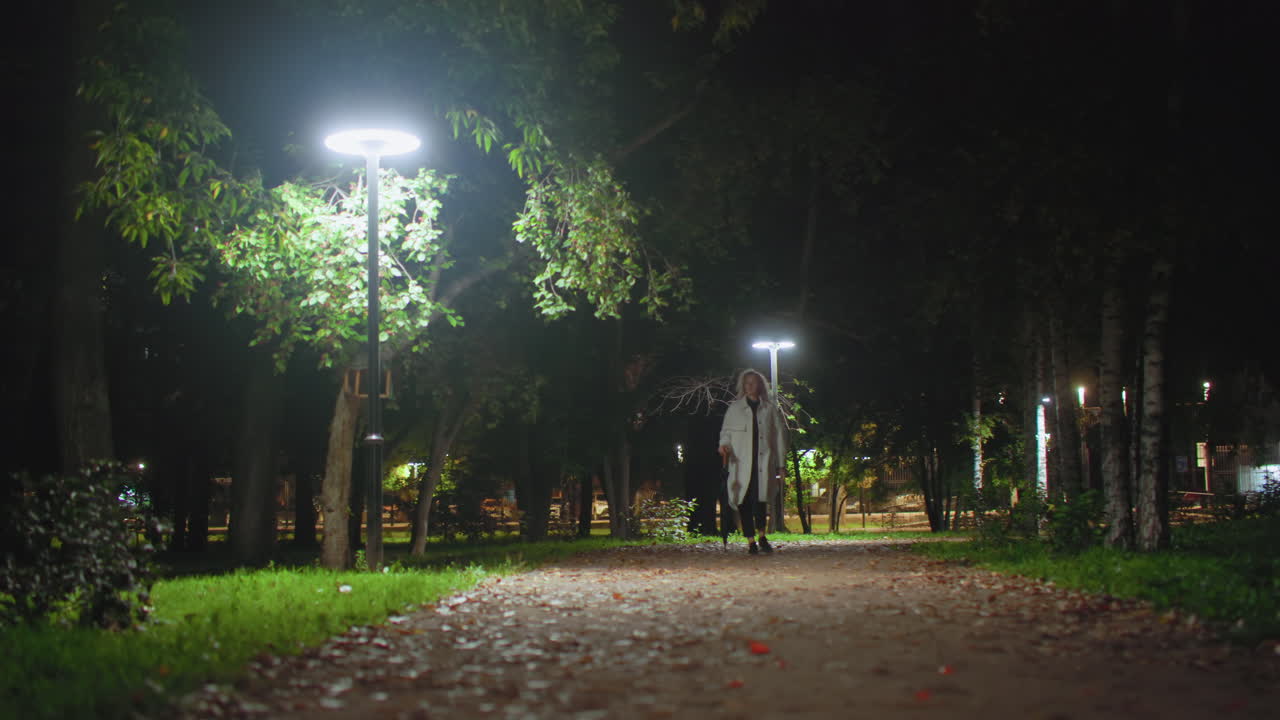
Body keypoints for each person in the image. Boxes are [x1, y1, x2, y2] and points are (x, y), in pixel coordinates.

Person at [718, 369, 787, 554]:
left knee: (760, 501)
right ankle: (750, 541)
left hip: (763, 464)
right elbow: (725, 433)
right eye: (746, 383)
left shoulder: (770, 409)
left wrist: (781, 465)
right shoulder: (734, 409)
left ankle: (762, 535)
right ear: (743, 385)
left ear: (760, 385)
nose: (750, 386)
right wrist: (723, 445)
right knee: (743, 502)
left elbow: (779, 437)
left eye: (753, 382)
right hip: (740, 464)